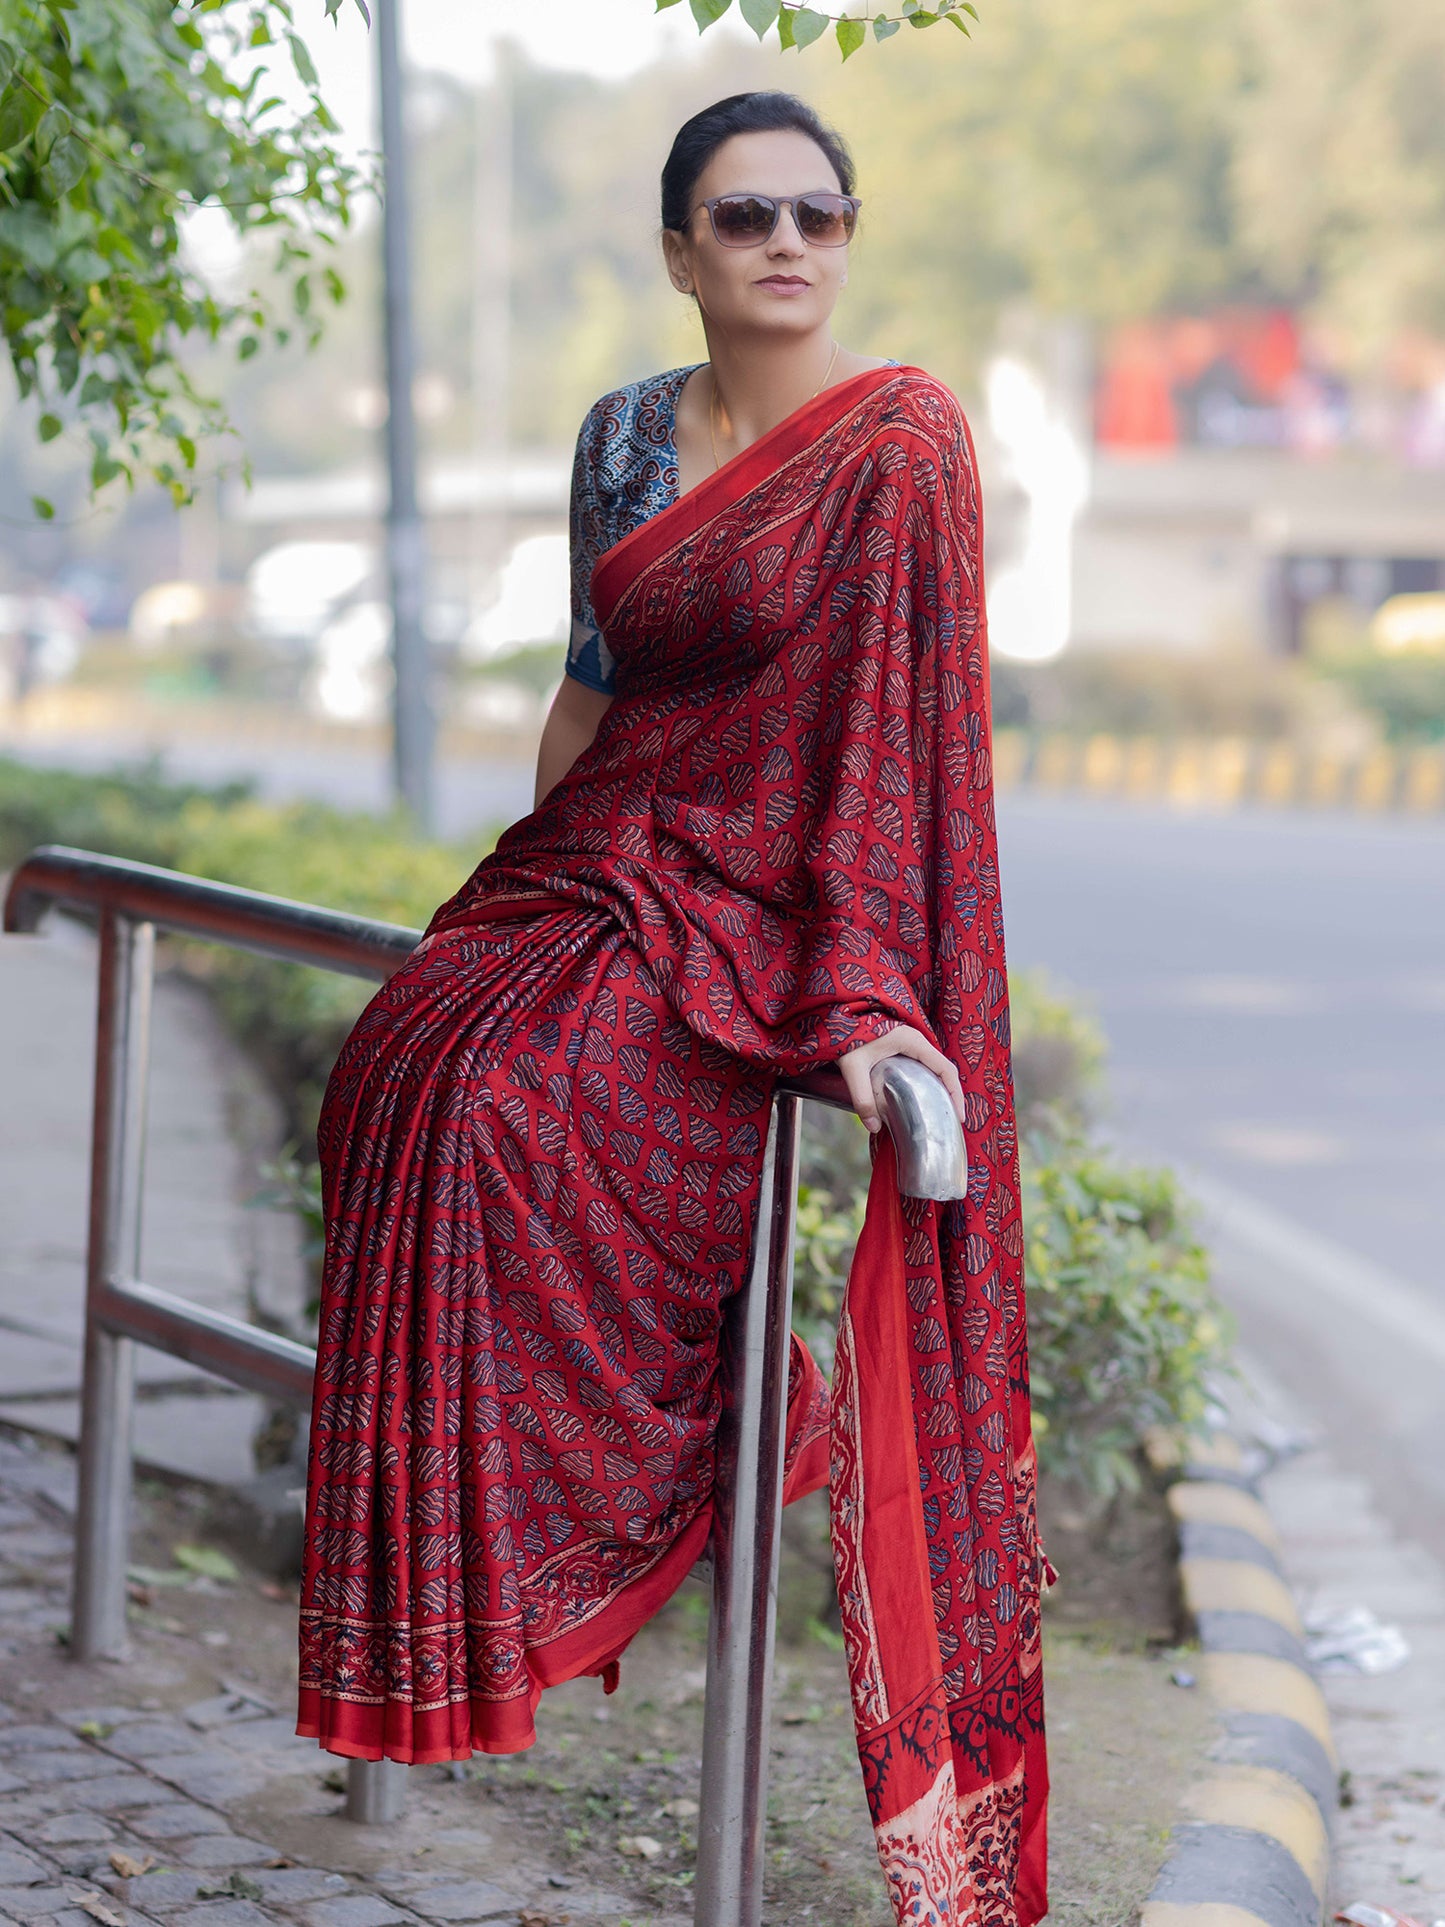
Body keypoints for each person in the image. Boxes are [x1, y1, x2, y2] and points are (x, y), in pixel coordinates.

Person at [297, 89, 1050, 1927]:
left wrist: (868, 999)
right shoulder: (626, 438)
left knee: (507, 1111)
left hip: (779, 901)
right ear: (678, 252)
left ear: (848, 235)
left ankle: (721, 1436)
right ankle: (657, 1457)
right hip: (605, 850)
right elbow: (593, 680)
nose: (785, 241)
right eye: (742, 217)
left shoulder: (901, 443)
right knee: (399, 1064)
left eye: (816, 211)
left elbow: (902, 749)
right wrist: (520, 879)